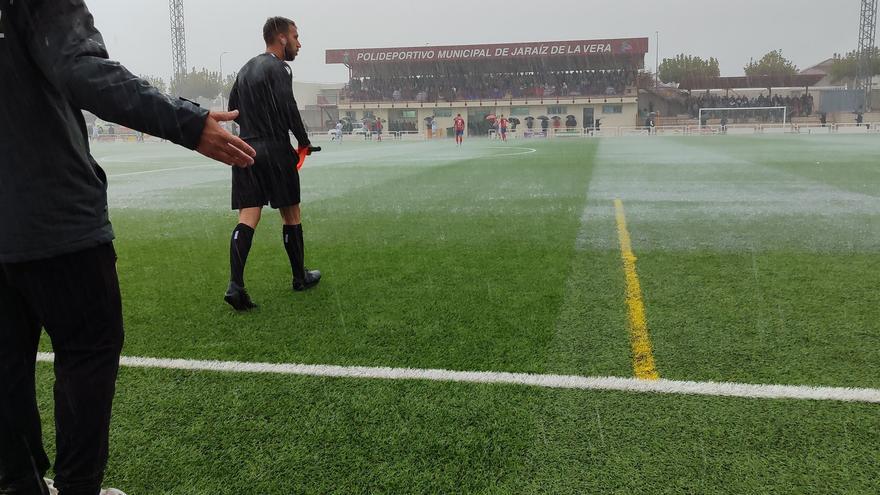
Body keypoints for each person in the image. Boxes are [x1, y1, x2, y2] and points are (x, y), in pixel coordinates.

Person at [0, 1, 256, 494]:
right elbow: (81, 69)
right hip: (52, 216)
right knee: (88, 351)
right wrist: (186, 120)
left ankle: (19, 484)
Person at [224, 16, 321, 311]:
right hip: (275, 148)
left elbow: (233, 110)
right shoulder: (280, 67)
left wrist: (247, 138)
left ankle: (235, 285)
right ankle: (299, 277)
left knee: (247, 216)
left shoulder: (243, 70)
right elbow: (287, 105)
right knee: (291, 213)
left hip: (247, 148)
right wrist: (303, 141)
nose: (298, 43)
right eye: (295, 36)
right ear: (280, 38)